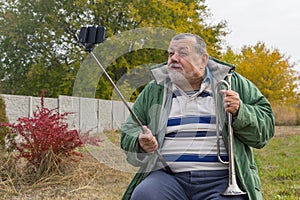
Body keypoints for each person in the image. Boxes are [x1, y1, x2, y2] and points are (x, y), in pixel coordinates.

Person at [120, 33, 275, 200]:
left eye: (182, 53)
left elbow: (266, 128)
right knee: (144, 195)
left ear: (203, 59)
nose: (174, 58)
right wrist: (139, 141)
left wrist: (241, 112)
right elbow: (129, 130)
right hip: (167, 178)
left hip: (222, 180)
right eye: (170, 53)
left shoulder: (232, 82)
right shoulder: (154, 89)